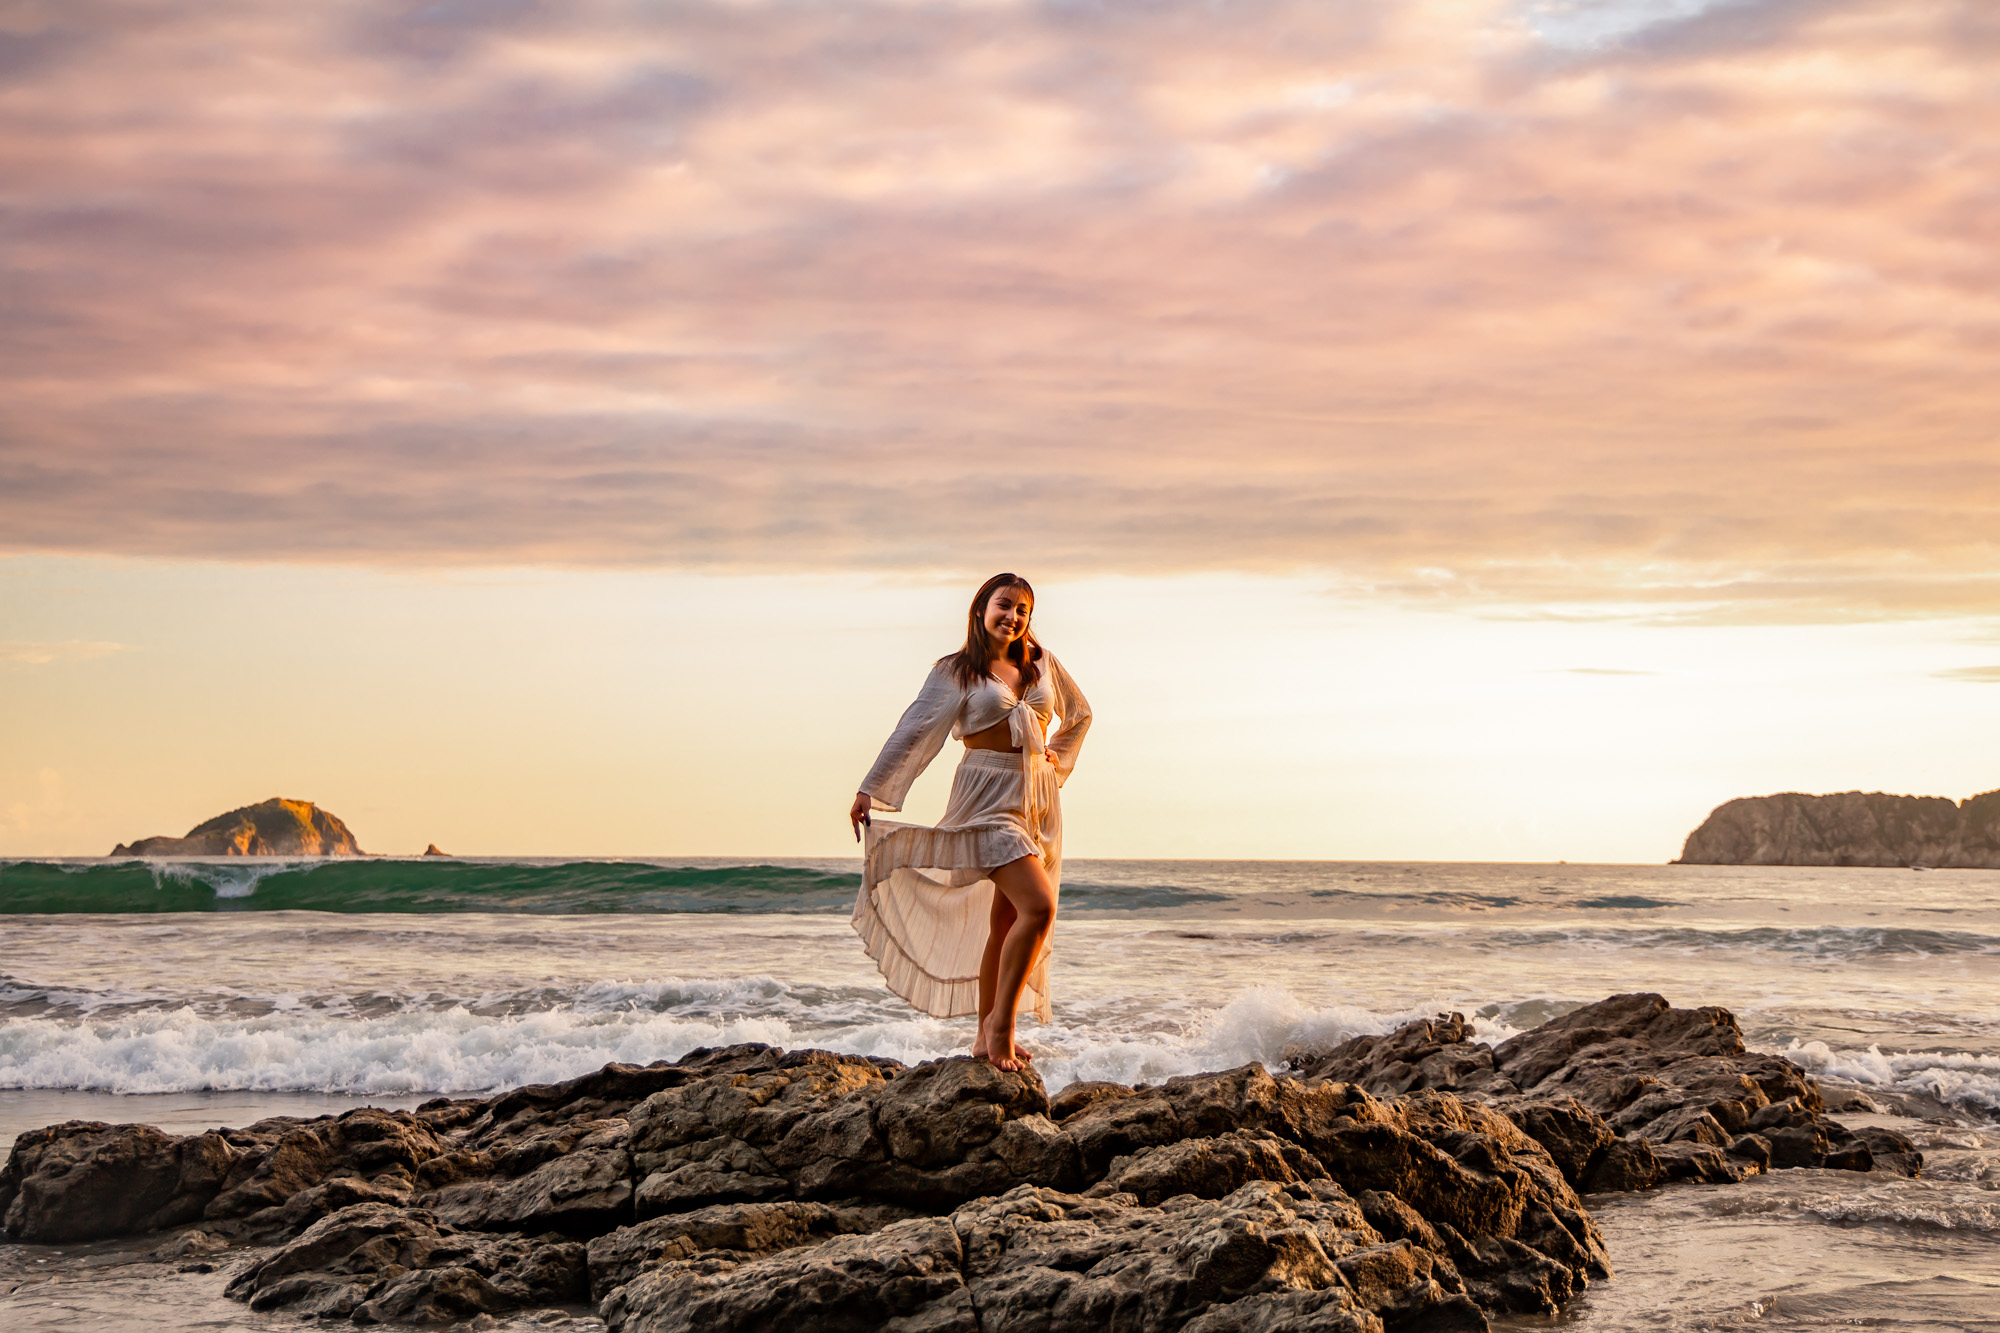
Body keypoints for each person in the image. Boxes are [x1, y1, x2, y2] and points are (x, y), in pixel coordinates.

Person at [847, 573, 1091, 1072]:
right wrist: (871, 788)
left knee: (1005, 922)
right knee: (1039, 909)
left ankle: (985, 1034)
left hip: (1038, 801)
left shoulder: (1043, 664)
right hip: (987, 796)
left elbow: (1080, 715)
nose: (1013, 617)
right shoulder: (957, 670)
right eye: (1004, 606)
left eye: (1023, 610)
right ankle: (1001, 1029)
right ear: (981, 608)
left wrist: (1055, 759)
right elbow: (915, 728)